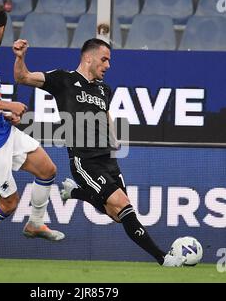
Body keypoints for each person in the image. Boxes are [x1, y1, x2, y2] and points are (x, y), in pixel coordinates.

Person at [13, 37, 184, 267]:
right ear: (88, 57)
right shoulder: (63, 79)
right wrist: (20, 57)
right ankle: (163, 258)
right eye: (104, 59)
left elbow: (104, 114)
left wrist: (114, 138)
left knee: (114, 214)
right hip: (85, 161)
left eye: (109, 61)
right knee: (123, 206)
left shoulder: (105, 89)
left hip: (108, 159)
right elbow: (22, 77)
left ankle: (74, 193)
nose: (108, 65)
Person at [0, 4, 64, 267]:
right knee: (9, 203)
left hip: (1, 130)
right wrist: (10, 105)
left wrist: (5, 113)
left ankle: (36, 224)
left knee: (47, 169)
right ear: (2, 29)